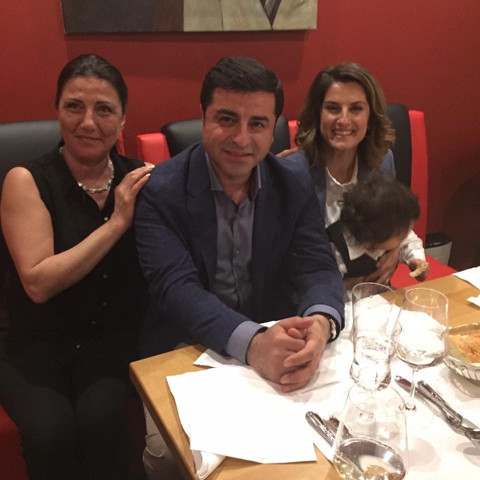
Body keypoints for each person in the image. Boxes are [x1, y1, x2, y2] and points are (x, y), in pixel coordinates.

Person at [134, 56, 344, 477]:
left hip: (274, 334)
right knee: (168, 454)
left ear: (274, 128)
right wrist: (253, 344)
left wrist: (321, 324)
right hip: (186, 344)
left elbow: (317, 266)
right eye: (227, 119)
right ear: (203, 118)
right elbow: (176, 289)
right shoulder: (161, 191)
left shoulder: (293, 183)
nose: (242, 138)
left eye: (257, 123)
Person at [0, 54, 152, 480]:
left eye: (104, 109)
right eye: (74, 106)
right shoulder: (25, 180)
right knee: (50, 432)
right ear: (57, 110)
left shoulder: (140, 178)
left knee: (101, 421)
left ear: (122, 119)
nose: (88, 122)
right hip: (32, 340)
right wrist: (117, 222)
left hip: (109, 338)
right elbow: (38, 282)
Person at [284, 62, 407, 286]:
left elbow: (392, 222)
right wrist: (338, 287)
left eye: (356, 108)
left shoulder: (382, 162)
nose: (343, 120)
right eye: (332, 108)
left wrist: (395, 251)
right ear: (317, 114)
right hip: (312, 297)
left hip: (372, 293)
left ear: (371, 117)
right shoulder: (292, 172)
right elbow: (281, 261)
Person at [333, 171, 429, 290]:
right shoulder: (337, 250)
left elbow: (410, 241)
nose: (406, 235)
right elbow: (326, 287)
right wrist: (351, 284)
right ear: (371, 241)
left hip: (381, 295)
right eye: (401, 236)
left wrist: (417, 260)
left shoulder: (389, 235)